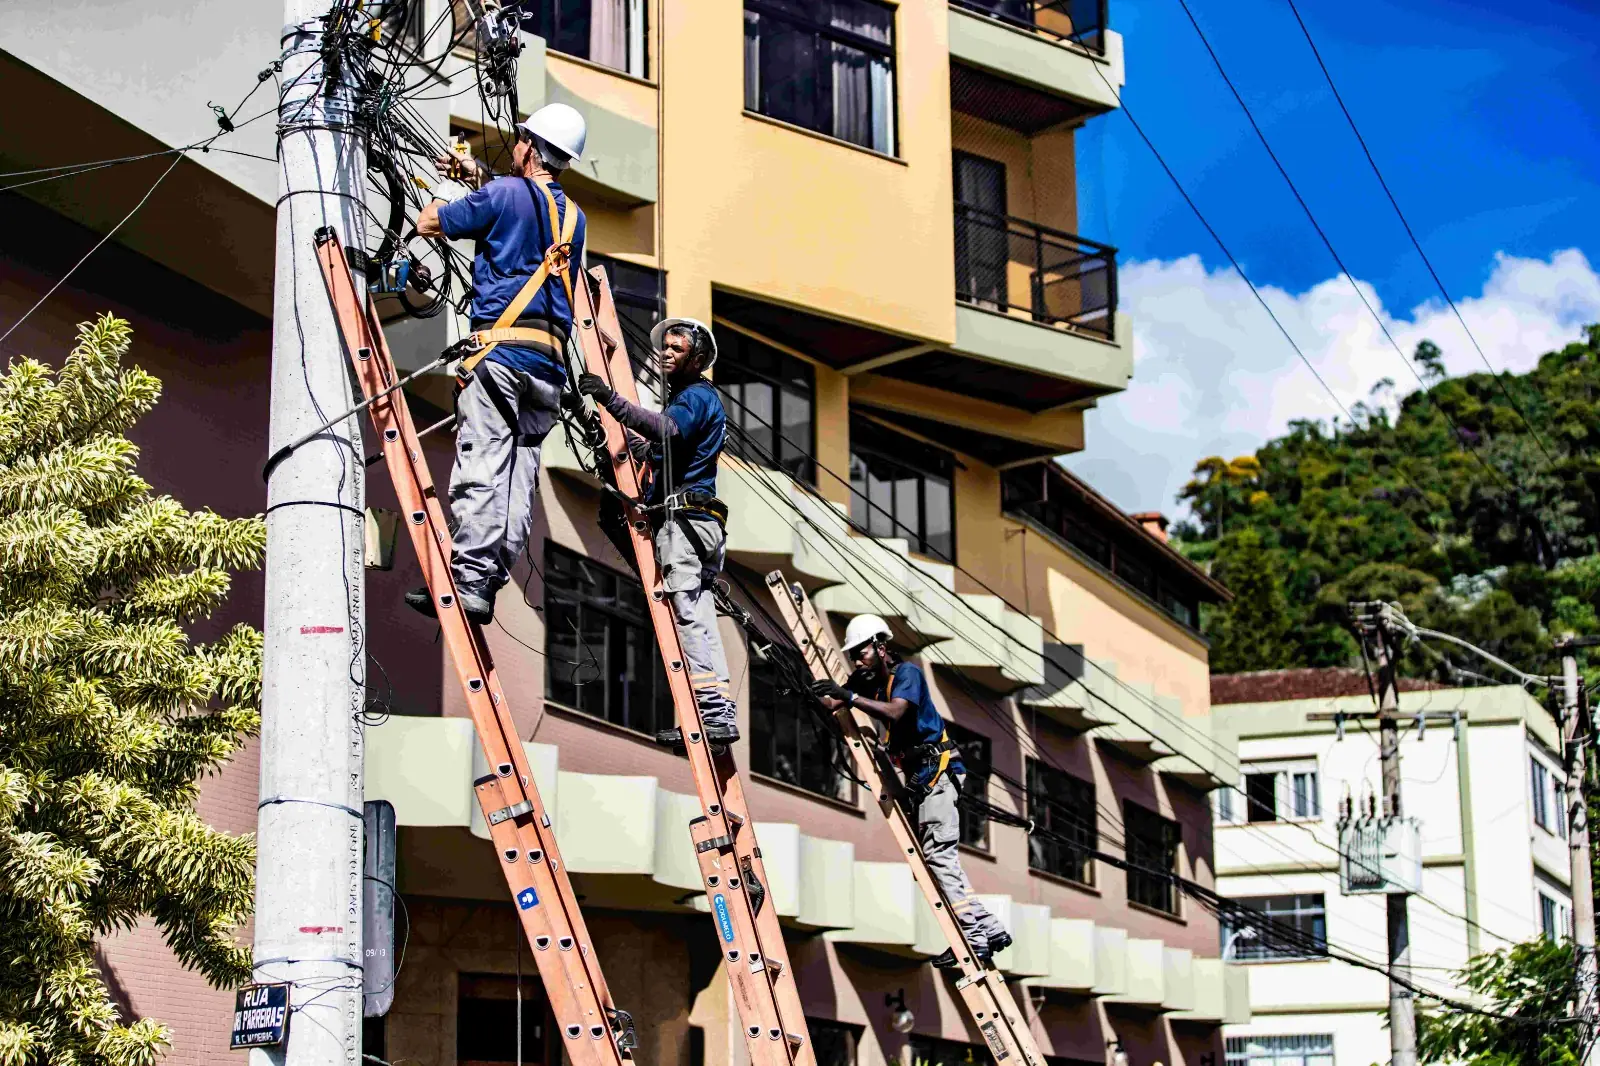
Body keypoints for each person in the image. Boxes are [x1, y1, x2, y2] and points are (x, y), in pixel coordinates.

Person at [403, 103, 588, 626]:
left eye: (520, 140)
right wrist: (479, 179)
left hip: (500, 355)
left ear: (530, 147)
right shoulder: (574, 218)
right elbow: (531, 209)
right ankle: (488, 577)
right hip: (549, 369)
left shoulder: (504, 194)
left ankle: (468, 579)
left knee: (484, 461)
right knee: (518, 473)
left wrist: (449, 192)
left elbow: (432, 221)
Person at [810, 614, 1013, 967]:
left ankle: (973, 936)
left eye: (863, 652)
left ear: (882, 647)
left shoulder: (907, 675)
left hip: (939, 772)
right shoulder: (868, 679)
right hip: (922, 778)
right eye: (854, 655)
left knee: (938, 856)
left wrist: (849, 694)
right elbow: (834, 704)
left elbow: (896, 712)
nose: (858, 660)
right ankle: (989, 928)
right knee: (938, 856)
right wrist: (815, 688)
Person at [575, 319, 739, 749]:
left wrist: (609, 398)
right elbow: (661, 445)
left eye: (677, 348)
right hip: (698, 524)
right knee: (698, 615)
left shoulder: (696, 396)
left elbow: (664, 429)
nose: (665, 353)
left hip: (686, 524)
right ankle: (715, 714)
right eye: (664, 346)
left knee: (687, 614)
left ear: (699, 358)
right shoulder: (694, 403)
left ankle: (713, 714)